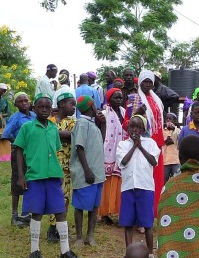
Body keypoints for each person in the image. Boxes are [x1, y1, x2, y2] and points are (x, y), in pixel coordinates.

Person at [14, 94, 83, 258]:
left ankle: (65, 251)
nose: (44, 109)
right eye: (40, 106)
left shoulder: (53, 128)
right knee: (36, 213)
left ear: (50, 108)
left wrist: (59, 172)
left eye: (47, 106)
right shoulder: (27, 128)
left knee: (60, 211)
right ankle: (34, 251)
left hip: (53, 176)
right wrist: (21, 176)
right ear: (34, 108)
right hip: (35, 176)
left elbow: (56, 151)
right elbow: (19, 151)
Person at [117, 116, 160, 258]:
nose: (135, 130)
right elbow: (122, 162)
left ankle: (150, 255)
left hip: (145, 187)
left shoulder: (151, 143)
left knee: (147, 223)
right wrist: (134, 146)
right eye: (132, 127)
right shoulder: (123, 145)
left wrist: (140, 146)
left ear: (143, 129)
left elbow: (154, 161)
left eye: (138, 127)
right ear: (128, 129)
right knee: (127, 223)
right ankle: (129, 254)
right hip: (128, 187)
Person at [130, 70, 167, 214]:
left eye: (150, 82)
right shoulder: (135, 98)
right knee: (144, 178)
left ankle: (153, 212)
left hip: (157, 143)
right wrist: (137, 111)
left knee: (156, 179)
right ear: (139, 82)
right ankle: (141, 214)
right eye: (144, 81)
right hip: (143, 142)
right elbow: (129, 121)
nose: (147, 84)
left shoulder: (156, 99)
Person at [71, 96, 105, 247]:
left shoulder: (93, 124)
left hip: (97, 173)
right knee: (80, 206)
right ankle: (79, 237)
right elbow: (79, 147)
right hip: (86, 172)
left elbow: (101, 141)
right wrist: (87, 170)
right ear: (92, 107)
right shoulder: (82, 123)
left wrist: (103, 124)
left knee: (94, 206)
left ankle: (90, 236)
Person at [46, 88, 76, 243]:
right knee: (53, 196)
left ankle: (59, 227)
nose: (74, 108)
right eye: (72, 104)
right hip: (50, 166)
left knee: (64, 197)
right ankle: (52, 228)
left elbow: (73, 136)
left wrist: (52, 133)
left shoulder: (72, 122)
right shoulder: (50, 121)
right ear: (62, 104)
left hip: (66, 167)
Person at [2, 92, 34, 227]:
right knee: (17, 182)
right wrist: (20, 143)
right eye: (20, 101)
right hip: (19, 153)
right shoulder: (15, 118)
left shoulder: (34, 116)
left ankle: (26, 214)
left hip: (32, 153)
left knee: (30, 181)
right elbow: (6, 134)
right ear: (15, 104)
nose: (24, 103)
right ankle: (14, 216)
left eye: (25, 100)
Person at [100, 88, 127, 225]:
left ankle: (116, 210)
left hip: (121, 151)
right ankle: (104, 213)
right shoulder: (104, 113)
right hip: (108, 153)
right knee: (107, 182)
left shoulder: (124, 112)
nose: (119, 100)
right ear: (109, 99)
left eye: (120, 97)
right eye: (116, 97)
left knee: (119, 181)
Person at [163, 113, 181, 183]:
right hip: (165, 161)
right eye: (167, 118)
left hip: (175, 160)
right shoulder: (162, 131)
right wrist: (165, 141)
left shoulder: (178, 130)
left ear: (174, 121)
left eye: (170, 119)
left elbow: (181, 137)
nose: (168, 120)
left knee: (177, 181)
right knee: (164, 182)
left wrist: (174, 129)